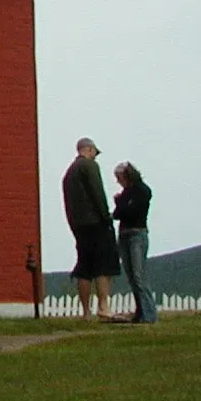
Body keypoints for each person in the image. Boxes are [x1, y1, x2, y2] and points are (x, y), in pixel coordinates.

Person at [61, 137, 121, 320]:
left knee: (84, 266)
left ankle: (86, 311)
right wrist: (106, 217)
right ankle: (103, 306)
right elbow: (97, 192)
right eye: (95, 152)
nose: (95, 156)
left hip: (78, 225)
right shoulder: (89, 166)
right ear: (88, 149)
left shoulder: (69, 173)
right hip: (95, 223)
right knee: (104, 264)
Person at [113, 161, 157, 323]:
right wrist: (121, 205)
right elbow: (120, 214)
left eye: (119, 177)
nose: (118, 181)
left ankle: (149, 314)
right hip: (125, 233)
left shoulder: (142, 190)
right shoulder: (126, 194)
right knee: (132, 276)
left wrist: (120, 204)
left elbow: (130, 212)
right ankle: (141, 312)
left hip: (137, 234)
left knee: (139, 275)